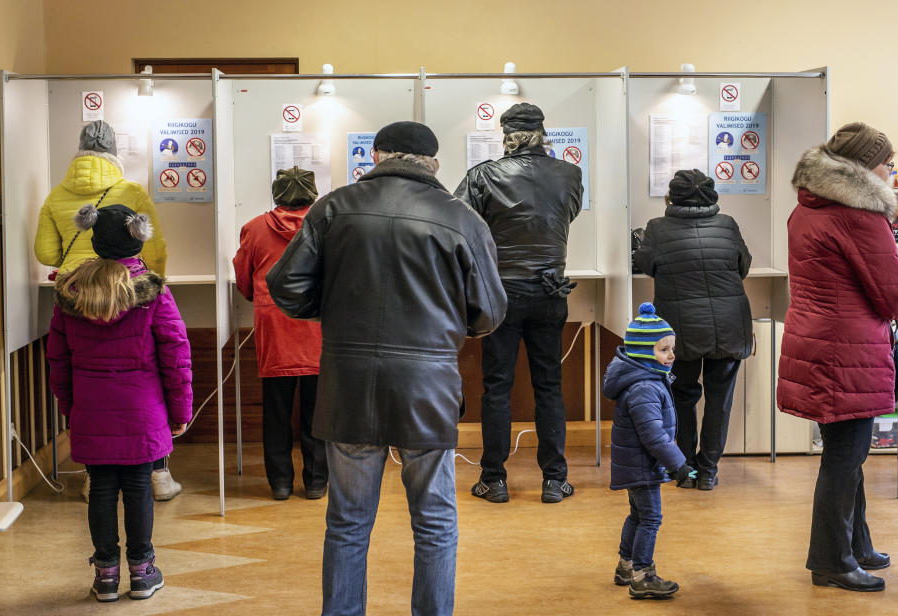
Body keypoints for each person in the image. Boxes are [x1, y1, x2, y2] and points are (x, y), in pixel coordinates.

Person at [267, 121, 506, 615]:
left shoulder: (332, 207)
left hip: (348, 383)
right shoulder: (461, 218)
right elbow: (489, 311)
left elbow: (285, 285)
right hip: (428, 386)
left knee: (348, 522)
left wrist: (331, 310)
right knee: (434, 520)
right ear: (434, 163)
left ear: (376, 155)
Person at [778, 122, 898, 592]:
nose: (892, 172)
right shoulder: (861, 216)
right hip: (846, 352)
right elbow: (895, 299)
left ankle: (857, 545)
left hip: (817, 344)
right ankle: (831, 561)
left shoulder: (807, 209)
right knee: (844, 457)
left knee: (846, 453)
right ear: (864, 168)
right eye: (888, 163)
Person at [45, 203, 192, 602]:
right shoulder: (153, 292)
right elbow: (176, 354)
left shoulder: (70, 292)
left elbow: (58, 358)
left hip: (91, 409)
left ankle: (106, 575)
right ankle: (142, 573)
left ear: (94, 238)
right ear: (137, 238)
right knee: (140, 486)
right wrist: (180, 410)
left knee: (102, 489)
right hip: (142, 410)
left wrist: (70, 407)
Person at [33, 120, 178, 502]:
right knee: (146, 380)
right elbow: (156, 246)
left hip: (76, 297)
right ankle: (159, 475)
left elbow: (46, 254)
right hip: (131, 291)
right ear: (115, 153)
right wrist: (151, 286)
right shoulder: (131, 191)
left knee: (90, 380)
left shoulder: (55, 196)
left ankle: (91, 477)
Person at [454, 102, 583, 504]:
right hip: (550, 292)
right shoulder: (570, 174)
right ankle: (554, 480)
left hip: (501, 294)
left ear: (506, 136)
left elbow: (459, 223)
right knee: (550, 387)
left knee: (496, 388)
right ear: (544, 134)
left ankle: (493, 479)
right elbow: (569, 214)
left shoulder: (483, 175)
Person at [634, 169, 752, 491]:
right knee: (720, 400)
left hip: (680, 330)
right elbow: (744, 265)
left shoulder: (657, 228)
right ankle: (709, 470)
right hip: (728, 327)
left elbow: (646, 264)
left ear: (670, 197)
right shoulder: (727, 225)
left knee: (681, 397)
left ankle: (685, 468)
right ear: (712, 196)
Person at [233, 166, 329, 501]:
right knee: (318, 410)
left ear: (277, 194)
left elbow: (244, 278)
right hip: (318, 327)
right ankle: (317, 481)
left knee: (276, 410)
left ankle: (280, 484)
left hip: (275, 327)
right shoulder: (327, 225)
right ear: (312, 194)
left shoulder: (254, 229)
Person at [603, 303, 695, 599]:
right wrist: (679, 465)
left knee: (637, 515)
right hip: (642, 464)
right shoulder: (644, 387)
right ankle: (643, 575)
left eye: (671, 349)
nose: (671, 356)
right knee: (651, 518)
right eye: (663, 350)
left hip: (637, 463)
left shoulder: (646, 379)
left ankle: (626, 566)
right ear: (644, 353)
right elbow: (654, 436)